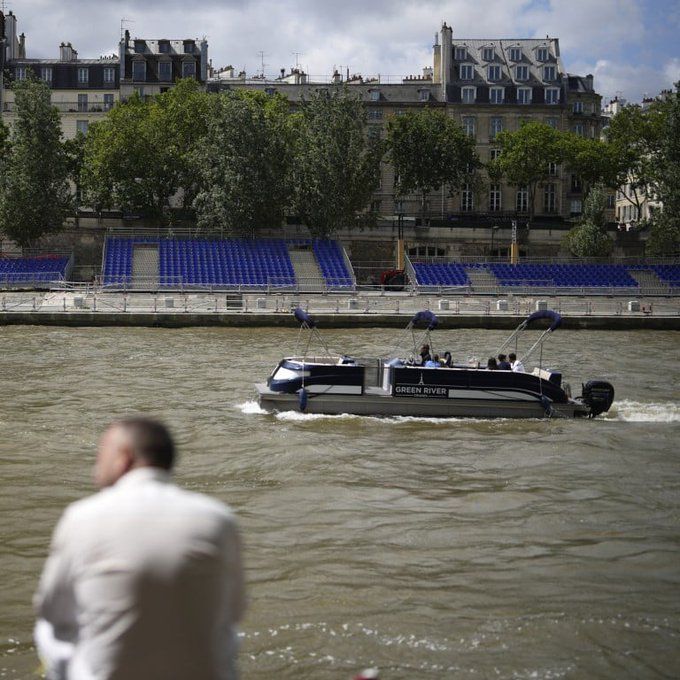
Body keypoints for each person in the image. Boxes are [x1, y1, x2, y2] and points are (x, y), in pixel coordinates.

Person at [34, 418, 246, 680]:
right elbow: (236, 610)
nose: (95, 466)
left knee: (47, 629)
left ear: (124, 458)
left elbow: (51, 609)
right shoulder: (218, 518)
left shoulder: (82, 516)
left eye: (101, 453)